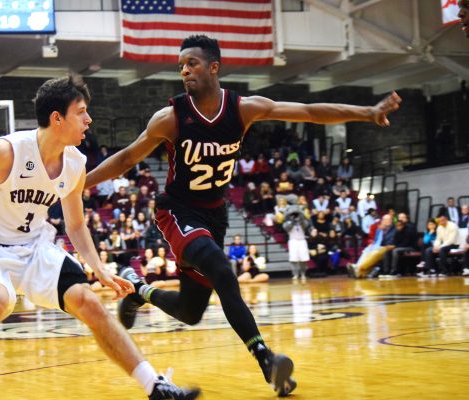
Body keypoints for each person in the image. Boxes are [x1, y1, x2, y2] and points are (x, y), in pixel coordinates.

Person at [85, 35, 400, 397]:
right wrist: (80, 185)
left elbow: (310, 112)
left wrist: (368, 112)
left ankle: (137, 287)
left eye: (193, 63)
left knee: (190, 311)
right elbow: (126, 159)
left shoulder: (245, 108)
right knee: (221, 269)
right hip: (177, 211)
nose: (185, 70)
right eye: (181, 66)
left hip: (214, 216)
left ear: (214, 67)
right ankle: (266, 361)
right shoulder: (170, 117)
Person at [0, 74, 199, 400]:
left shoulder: (75, 164)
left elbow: (76, 225)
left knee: (88, 302)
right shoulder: (5, 151)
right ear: (57, 118)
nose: (88, 119)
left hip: (34, 247)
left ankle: (155, 386)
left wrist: (100, 268)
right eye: (81, 112)